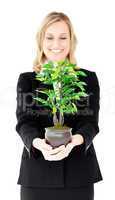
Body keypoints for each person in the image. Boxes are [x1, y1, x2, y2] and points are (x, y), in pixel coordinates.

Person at [15, 11, 103, 200]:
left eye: (63, 37)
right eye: (50, 37)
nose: (56, 44)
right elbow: (24, 123)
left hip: (78, 175)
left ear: (72, 41)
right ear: (41, 41)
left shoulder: (87, 79)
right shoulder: (28, 80)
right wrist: (38, 144)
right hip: (37, 174)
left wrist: (74, 141)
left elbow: (90, 123)